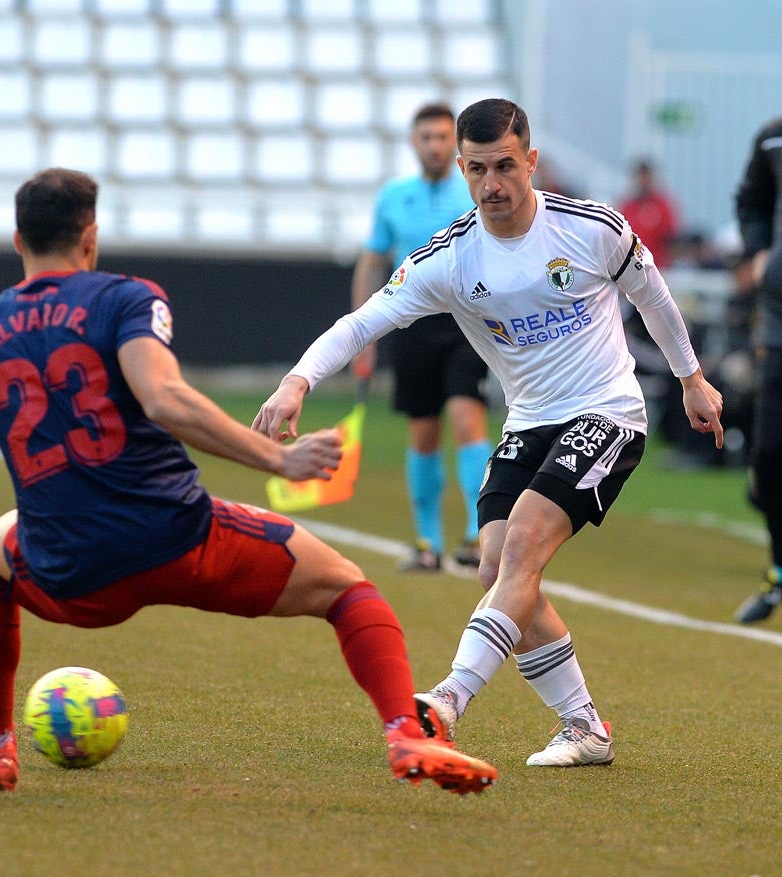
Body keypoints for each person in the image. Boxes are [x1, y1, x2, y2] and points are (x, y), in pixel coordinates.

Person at [0, 168, 498, 795]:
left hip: (67, 570)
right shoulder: (124, 297)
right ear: (90, 237)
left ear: (15, 241)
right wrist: (279, 461)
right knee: (348, 588)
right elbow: (163, 397)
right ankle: (403, 730)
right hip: (179, 539)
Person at [255, 99, 724, 767]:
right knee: (494, 568)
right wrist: (297, 380)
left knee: (524, 544)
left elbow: (651, 295)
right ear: (461, 169)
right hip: (530, 419)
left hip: (606, 413)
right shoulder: (450, 257)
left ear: (529, 161)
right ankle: (584, 726)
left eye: (504, 166)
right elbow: (363, 322)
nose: (490, 184)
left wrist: (690, 378)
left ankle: (446, 699)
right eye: (476, 170)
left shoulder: (590, 229)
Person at [350, 102, 491, 573]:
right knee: (423, 431)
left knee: (467, 417)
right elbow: (372, 262)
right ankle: (427, 542)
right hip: (409, 324)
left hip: (465, 320)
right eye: (426, 137)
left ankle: (478, 536)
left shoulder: (473, 192)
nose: (434, 145)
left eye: (442, 137)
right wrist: (361, 335)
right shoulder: (393, 197)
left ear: (455, 144)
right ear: (415, 143)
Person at [732, 117, 782, 623]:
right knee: (768, 458)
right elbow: (750, 200)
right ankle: (777, 573)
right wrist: (762, 252)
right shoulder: (771, 136)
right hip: (779, 325)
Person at [618, 158, 680, 269]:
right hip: (631, 270)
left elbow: (672, 239)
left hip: (658, 269)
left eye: (646, 176)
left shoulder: (662, 206)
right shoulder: (627, 207)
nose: (643, 181)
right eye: (640, 176)